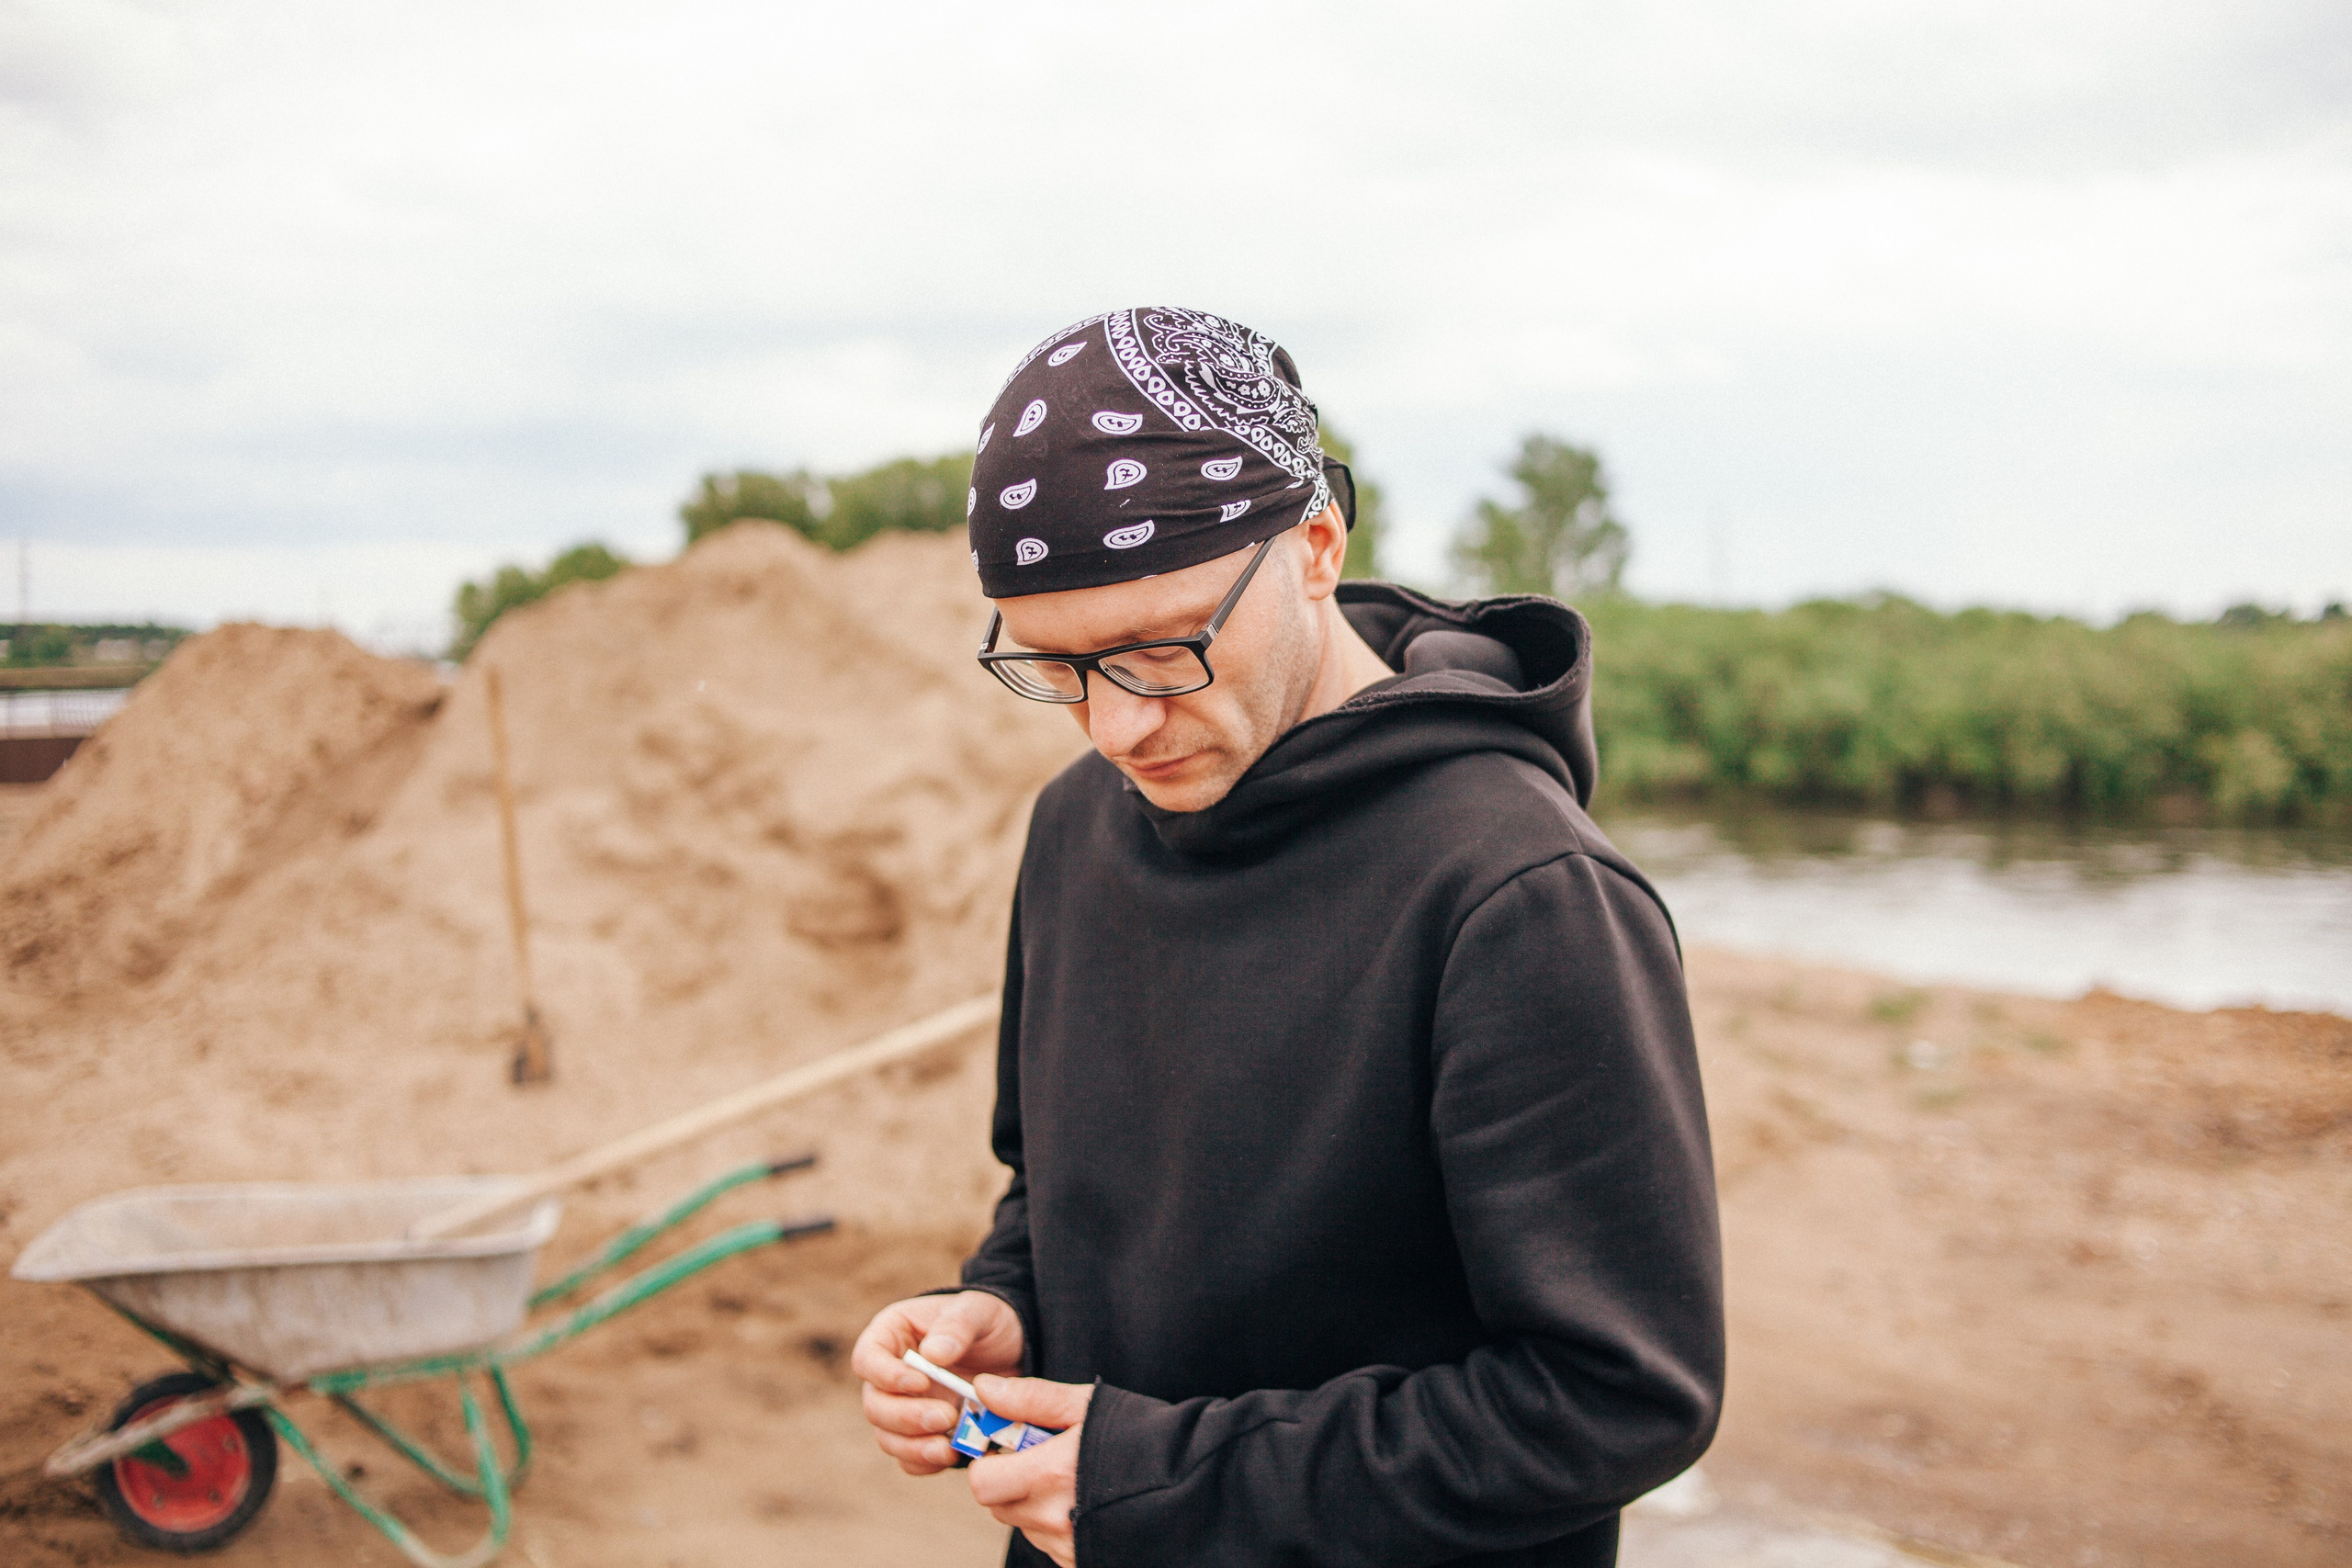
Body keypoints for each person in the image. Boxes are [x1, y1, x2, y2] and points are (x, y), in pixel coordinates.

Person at [851, 306, 1722, 1568]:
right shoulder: (1075, 825)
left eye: (1161, 651)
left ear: (1315, 545)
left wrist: (1166, 1486)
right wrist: (1003, 1304)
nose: (1117, 729)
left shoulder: (1522, 894)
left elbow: (1617, 1397)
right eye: (1056, 668)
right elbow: (1059, 1189)